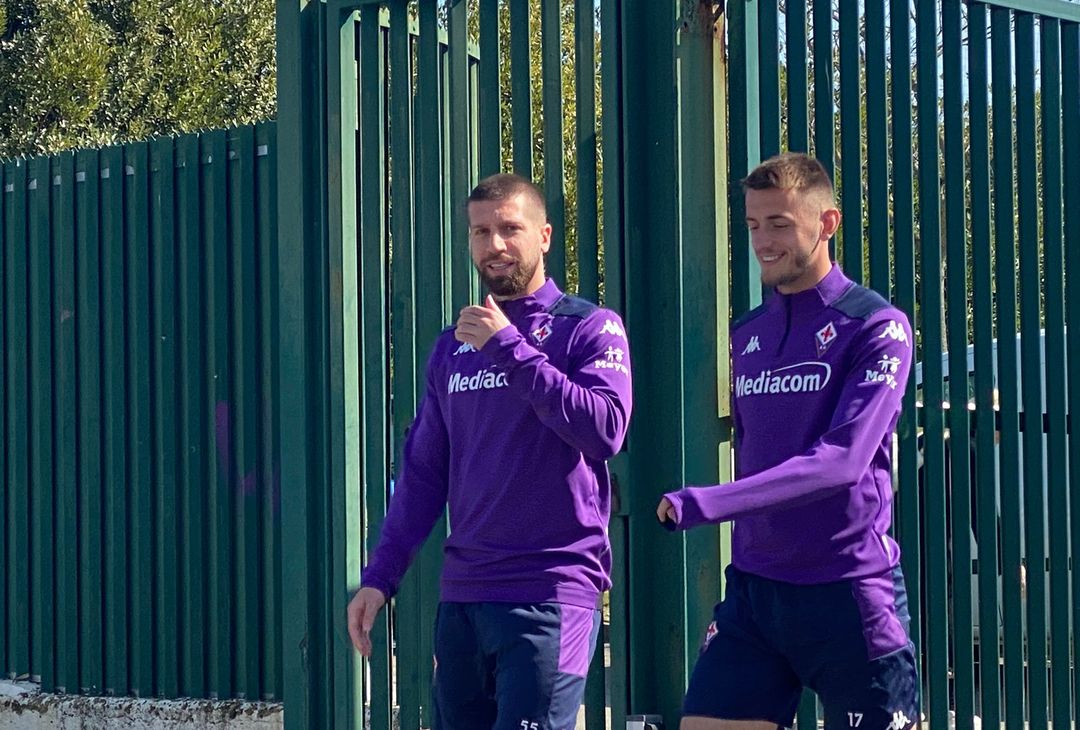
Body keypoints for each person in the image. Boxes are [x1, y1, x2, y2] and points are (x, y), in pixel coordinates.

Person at [348, 173, 633, 730]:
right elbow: (424, 475)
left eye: (510, 229)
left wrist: (508, 347)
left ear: (544, 236)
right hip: (465, 597)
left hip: (551, 591)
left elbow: (605, 429)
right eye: (481, 232)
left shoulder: (590, 329)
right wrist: (380, 577)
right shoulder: (454, 347)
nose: (495, 245)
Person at [657, 153, 920, 730]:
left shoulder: (877, 326)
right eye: (752, 225)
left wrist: (707, 502)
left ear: (827, 224)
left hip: (849, 591)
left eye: (779, 223)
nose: (763, 242)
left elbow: (842, 461)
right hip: (755, 591)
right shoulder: (747, 333)